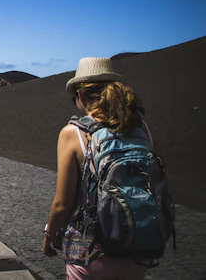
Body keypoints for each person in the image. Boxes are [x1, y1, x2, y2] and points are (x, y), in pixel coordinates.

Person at [42, 57, 155, 280]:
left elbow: (62, 203)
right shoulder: (143, 130)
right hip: (139, 248)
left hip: (90, 251)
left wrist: (50, 234)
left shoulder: (74, 134)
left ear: (81, 96)